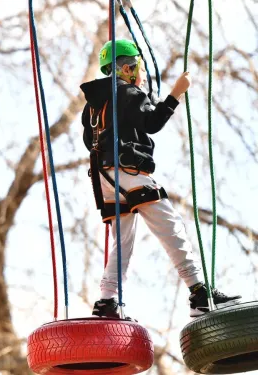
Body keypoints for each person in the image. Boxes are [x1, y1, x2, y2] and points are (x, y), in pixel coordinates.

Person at [79, 39, 241, 319]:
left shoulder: (93, 104)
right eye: (137, 67)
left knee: (123, 241)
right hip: (128, 173)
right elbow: (152, 123)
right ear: (129, 68)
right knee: (170, 226)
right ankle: (199, 292)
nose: (140, 73)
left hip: (103, 179)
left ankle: (107, 300)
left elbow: (88, 139)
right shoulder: (126, 91)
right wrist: (176, 94)